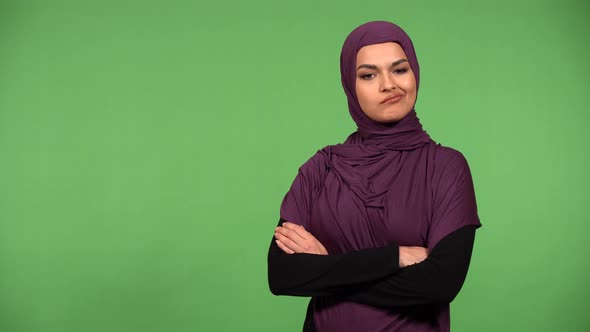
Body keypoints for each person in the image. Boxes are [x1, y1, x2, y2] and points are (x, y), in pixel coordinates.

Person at [267, 21, 482, 332]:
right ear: (350, 86)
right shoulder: (323, 166)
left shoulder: (445, 166)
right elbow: (283, 274)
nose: (388, 84)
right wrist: (393, 257)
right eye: (368, 75)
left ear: (415, 74)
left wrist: (327, 267)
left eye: (399, 69)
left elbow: (440, 283)